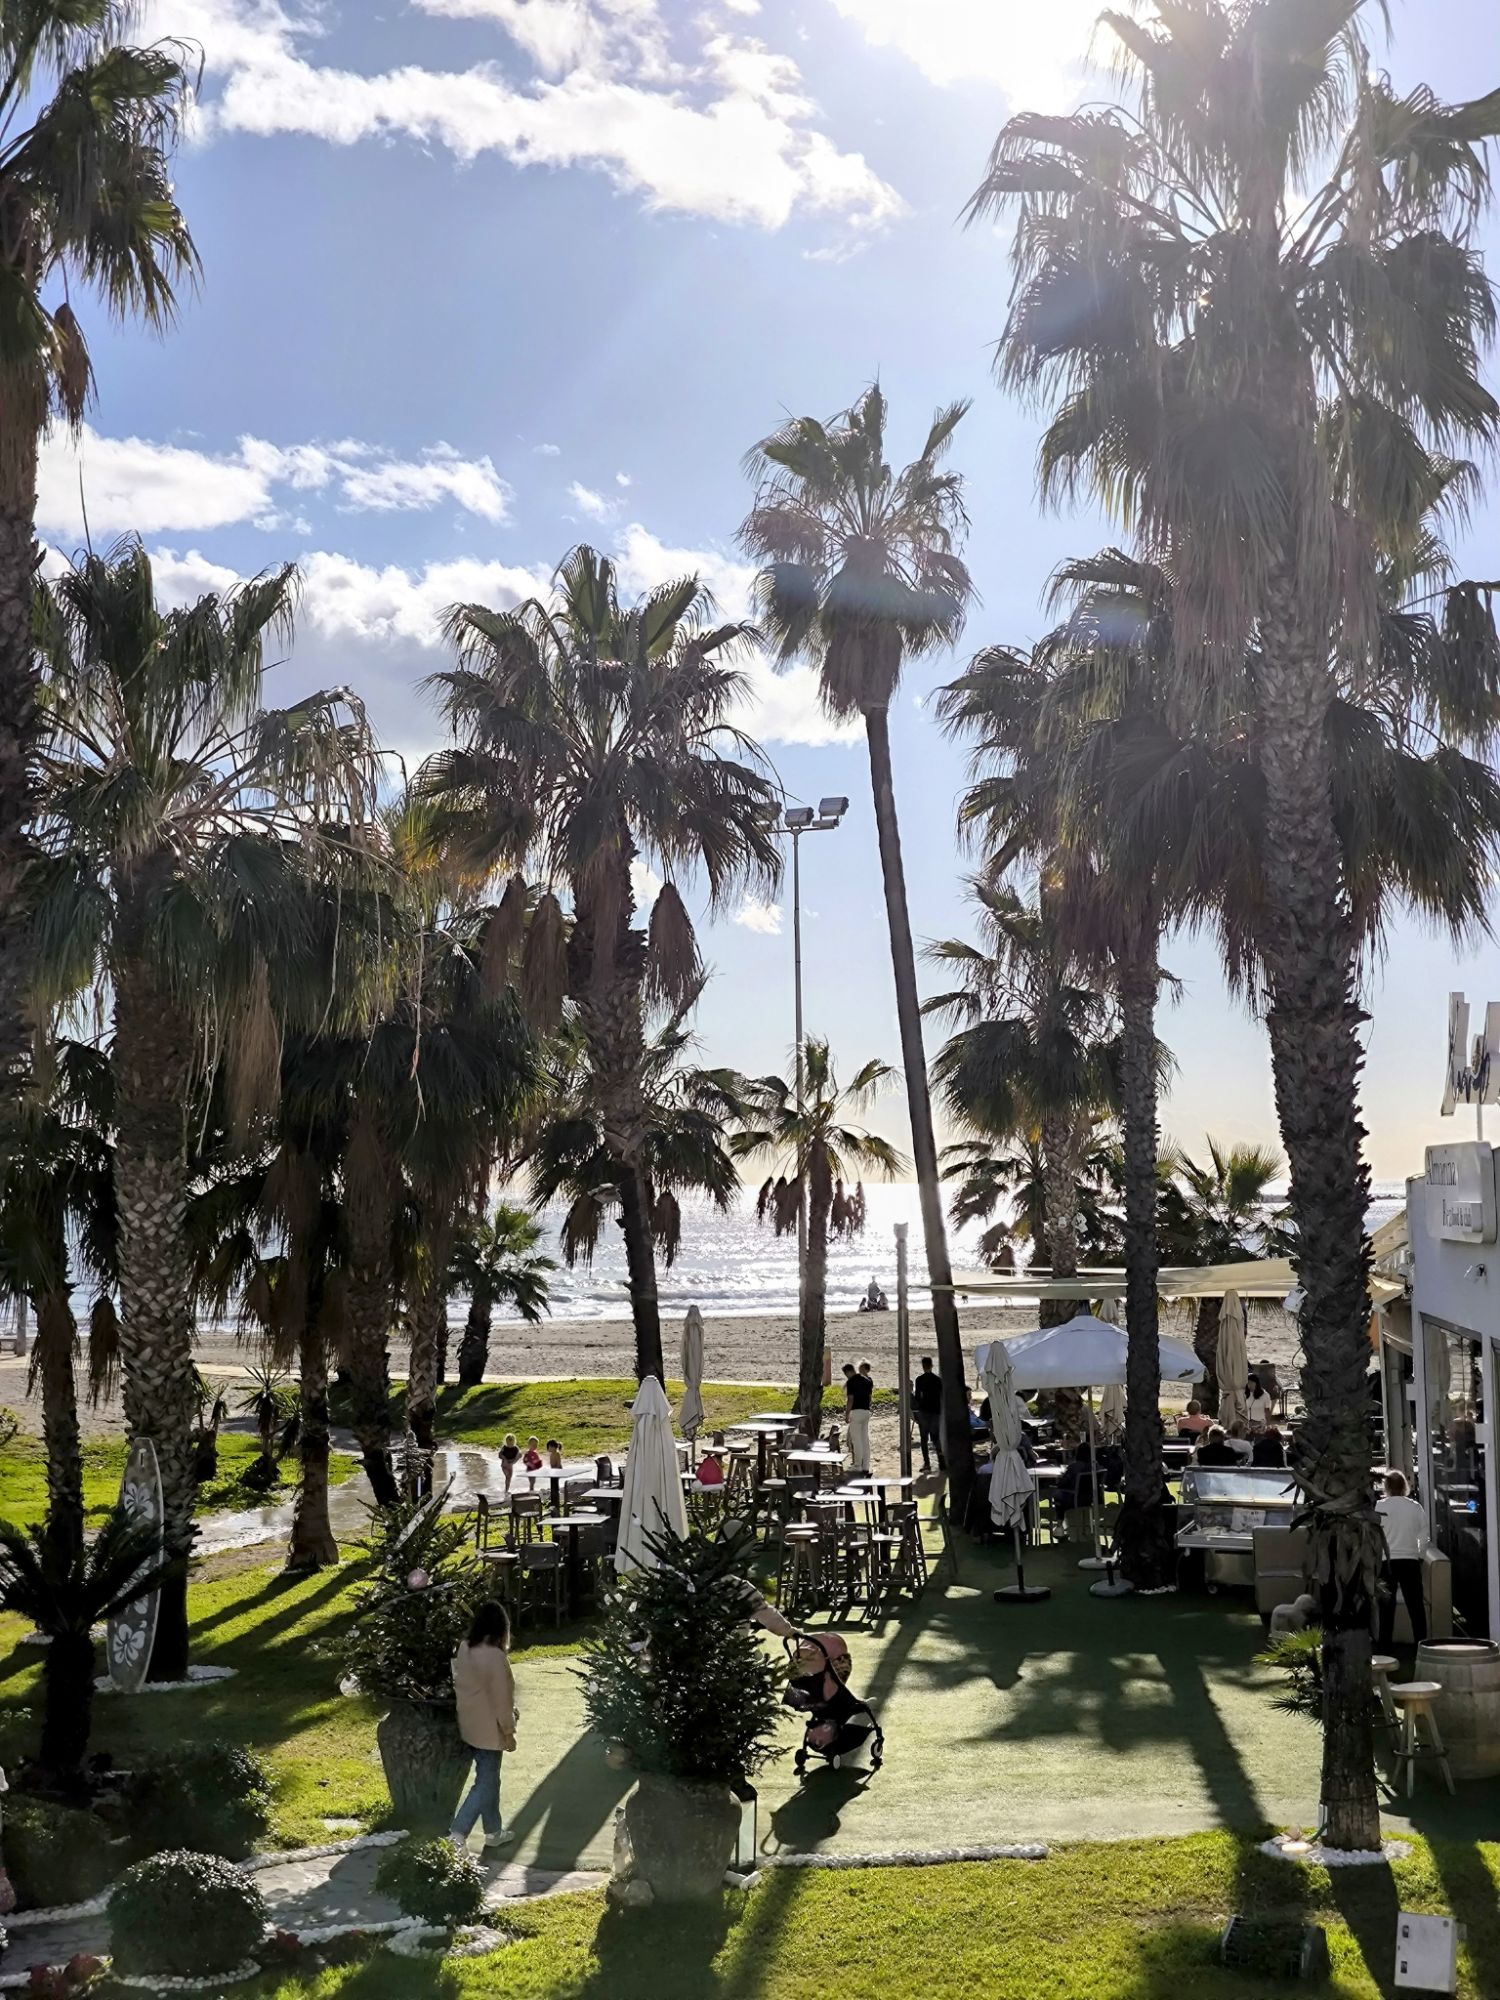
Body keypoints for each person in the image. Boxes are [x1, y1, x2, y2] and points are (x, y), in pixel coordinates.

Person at [450, 1601, 517, 1852]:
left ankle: (493, 1831)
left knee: (490, 1779)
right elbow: (502, 1700)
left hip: (468, 1724)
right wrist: (509, 1731)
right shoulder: (495, 1657)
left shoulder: (464, 1647)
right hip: (490, 1729)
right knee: (486, 1783)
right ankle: (458, 1833)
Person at [1377, 1471, 1429, 1648]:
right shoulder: (1415, 1507)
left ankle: (1384, 1647)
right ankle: (1421, 1646)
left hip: (1387, 1561)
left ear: (1386, 1487)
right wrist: (1420, 1556)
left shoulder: (1379, 1507)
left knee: (1386, 1609)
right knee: (1416, 1608)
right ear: (1404, 1487)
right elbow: (1424, 1536)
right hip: (1410, 1561)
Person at [911, 1356, 944, 1473]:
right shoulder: (938, 1380)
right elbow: (941, 1396)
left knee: (924, 1439)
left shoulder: (919, 1380)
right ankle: (941, 1462)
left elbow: (917, 1397)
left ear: (923, 1366)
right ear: (931, 1365)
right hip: (936, 1411)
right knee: (936, 1438)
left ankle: (927, 1463)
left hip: (924, 1411)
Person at [846, 1359, 874, 1475]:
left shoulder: (852, 1381)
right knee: (864, 1439)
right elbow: (869, 1397)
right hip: (866, 1411)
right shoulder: (868, 1381)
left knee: (856, 1440)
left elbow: (850, 1399)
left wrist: (847, 1413)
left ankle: (857, 1465)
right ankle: (865, 1466)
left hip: (856, 1411)